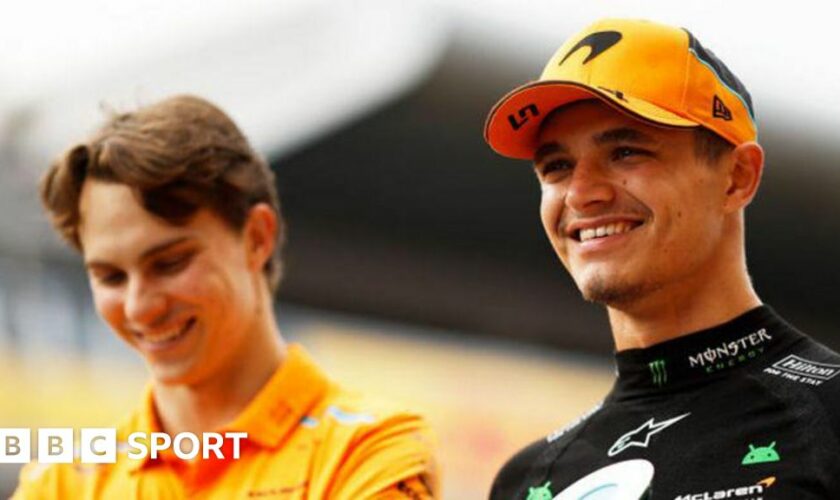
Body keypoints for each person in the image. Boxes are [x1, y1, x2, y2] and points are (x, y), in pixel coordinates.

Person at [484, 18, 840, 499]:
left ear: (737, 177)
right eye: (558, 167)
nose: (582, 193)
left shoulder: (829, 414)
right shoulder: (526, 480)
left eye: (627, 152)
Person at [14, 95, 439, 499]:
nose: (140, 306)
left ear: (256, 237)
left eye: (170, 263)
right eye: (110, 277)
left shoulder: (371, 448)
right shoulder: (61, 479)